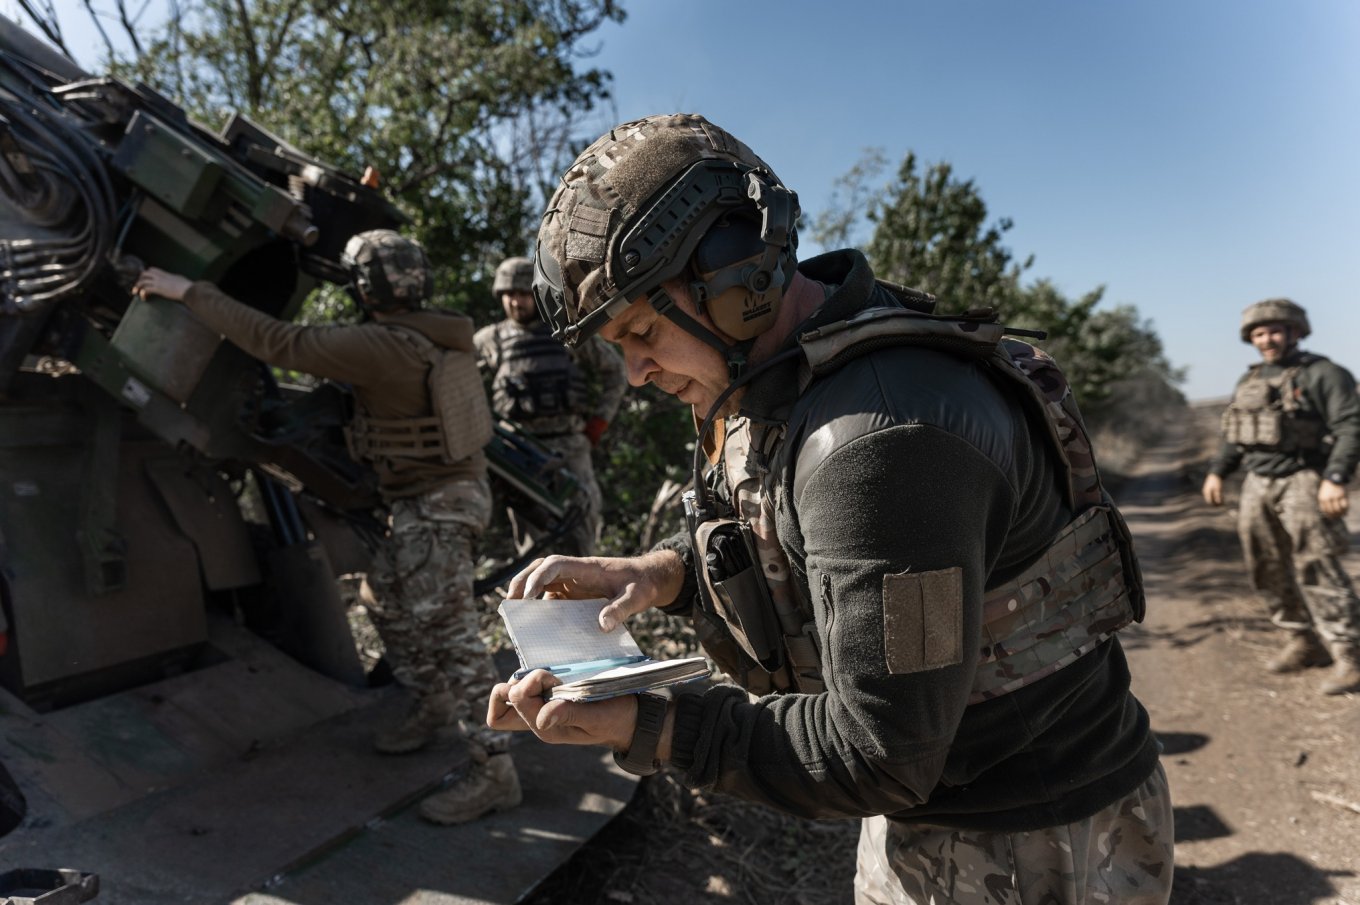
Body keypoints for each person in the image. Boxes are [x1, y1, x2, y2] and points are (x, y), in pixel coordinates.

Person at [487, 113, 1174, 904]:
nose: (637, 373)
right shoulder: (793, 370)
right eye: (618, 348)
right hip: (950, 813)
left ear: (736, 273)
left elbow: (881, 750)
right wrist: (663, 573)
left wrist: (643, 724)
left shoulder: (883, 440)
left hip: (1029, 843)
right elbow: (795, 539)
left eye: (642, 331)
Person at [133, 229, 521, 825]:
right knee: (383, 594)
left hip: (438, 506)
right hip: (439, 498)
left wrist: (191, 292)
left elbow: (280, 341)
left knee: (452, 634)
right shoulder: (438, 333)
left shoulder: (382, 346)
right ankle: (433, 703)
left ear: (364, 288)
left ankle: (495, 771)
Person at [1202, 298, 1360, 695]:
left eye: (1275, 330)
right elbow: (1235, 434)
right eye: (1258, 332)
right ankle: (1302, 641)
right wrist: (1218, 472)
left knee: (1317, 565)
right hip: (1257, 481)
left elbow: (1350, 425)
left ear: (1295, 331)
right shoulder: (1250, 380)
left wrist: (1336, 478)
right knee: (1265, 563)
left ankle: (1349, 654)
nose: (1267, 338)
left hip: (1304, 477)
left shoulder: (1325, 374)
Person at [474, 256, 627, 556]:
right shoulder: (489, 339)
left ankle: (587, 597)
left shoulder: (564, 332)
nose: (516, 302)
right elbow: (459, 386)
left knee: (582, 527)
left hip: (569, 446)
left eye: (521, 294)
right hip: (518, 454)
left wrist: (598, 423)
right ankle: (539, 600)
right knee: (531, 543)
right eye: (508, 295)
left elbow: (616, 372)